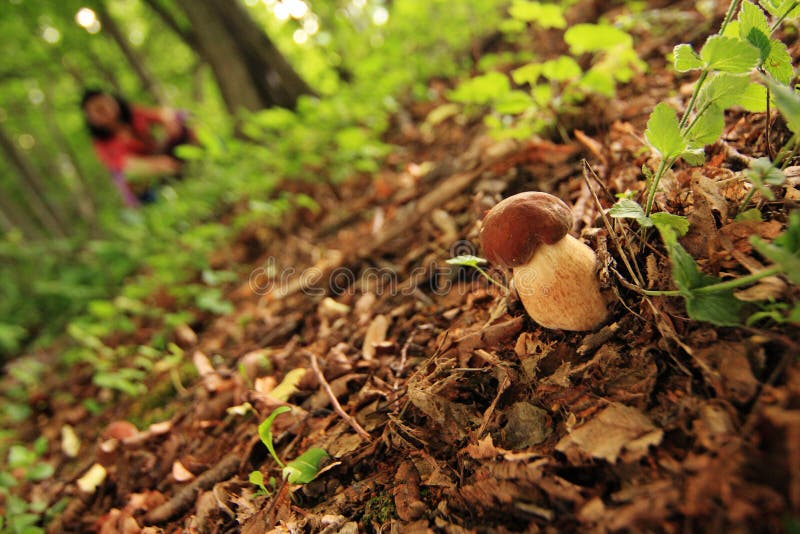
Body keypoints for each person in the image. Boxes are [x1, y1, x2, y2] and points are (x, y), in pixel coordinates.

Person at [81, 89, 193, 207]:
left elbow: (164, 114)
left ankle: (197, 163)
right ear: (90, 117)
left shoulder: (133, 115)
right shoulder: (102, 144)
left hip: (161, 159)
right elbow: (125, 166)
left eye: (107, 104)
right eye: (99, 110)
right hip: (143, 185)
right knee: (125, 174)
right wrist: (154, 165)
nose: (107, 110)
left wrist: (169, 121)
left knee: (183, 119)